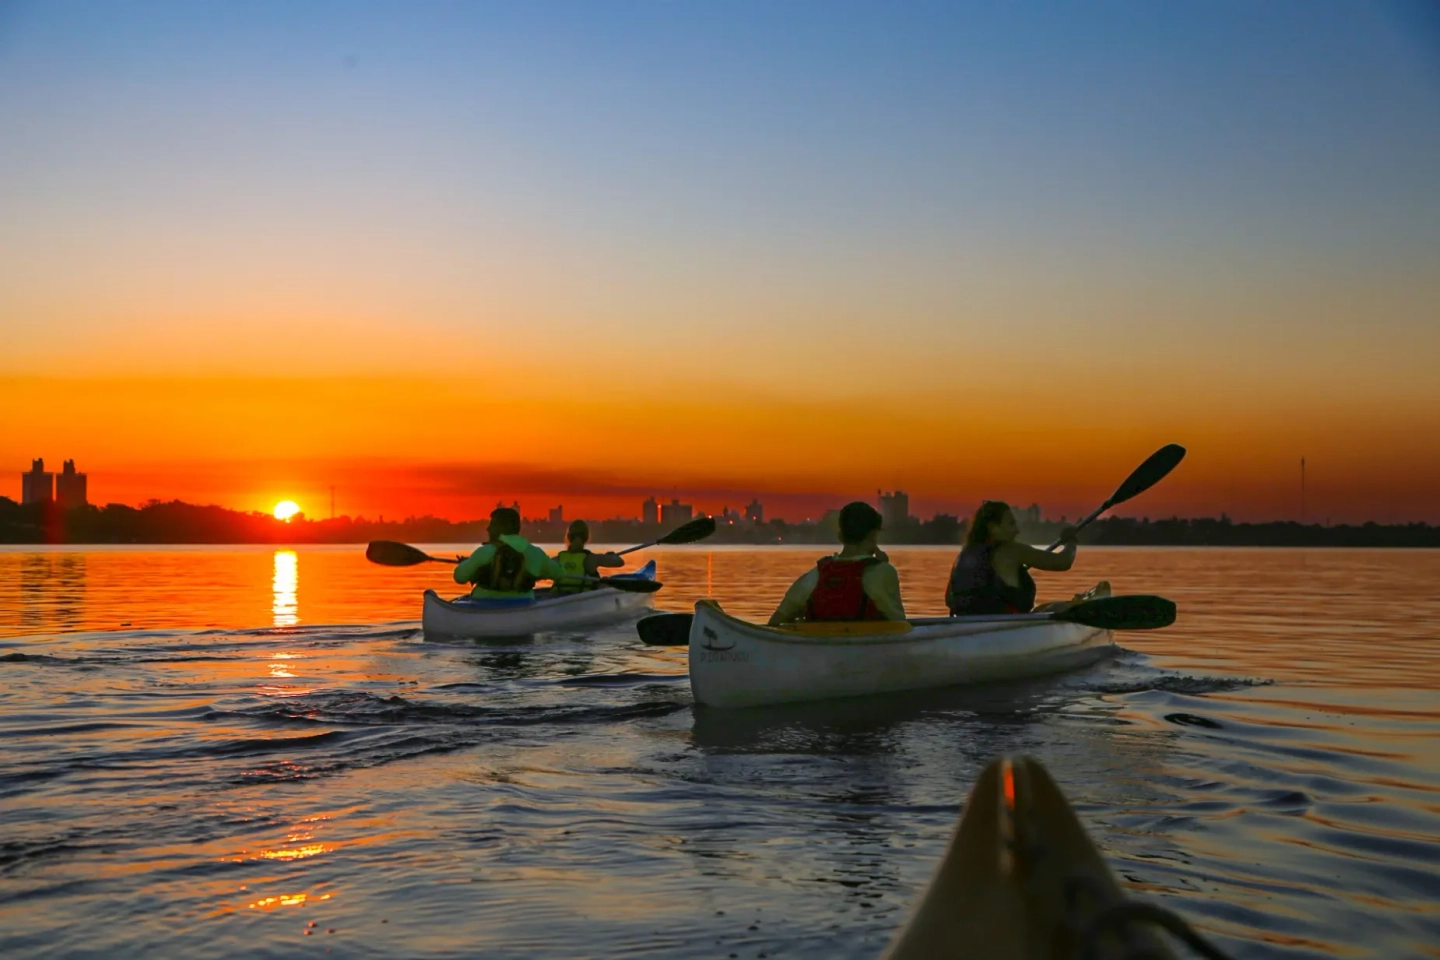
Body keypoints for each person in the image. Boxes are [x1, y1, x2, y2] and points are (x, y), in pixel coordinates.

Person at [946, 500, 1108, 617]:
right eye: (1011, 524)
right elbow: (1063, 562)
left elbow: (949, 599)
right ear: (993, 528)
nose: (1016, 531)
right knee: (1057, 608)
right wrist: (1071, 541)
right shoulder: (1012, 550)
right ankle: (1084, 605)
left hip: (967, 625)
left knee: (1048, 607)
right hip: (1005, 630)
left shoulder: (964, 555)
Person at [768, 501, 905, 625]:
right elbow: (901, 625)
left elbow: (775, 622)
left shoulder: (813, 578)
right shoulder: (884, 573)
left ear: (840, 536)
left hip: (819, 649)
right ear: (873, 535)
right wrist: (883, 566)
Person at [453, 506, 568, 601]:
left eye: (492, 524)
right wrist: (539, 573)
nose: (488, 529)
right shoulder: (536, 554)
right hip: (523, 606)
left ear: (503, 527)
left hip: (484, 605)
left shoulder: (485, 551)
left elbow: (459, 577)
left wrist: (466, 563)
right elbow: (560, 574)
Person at [551, 519, 623, 595]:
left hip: (558, 597)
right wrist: (612, 556)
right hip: (582, 599)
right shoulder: (592, 559)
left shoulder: (557, 559)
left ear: (568, 537)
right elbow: (620, 562)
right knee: (604, 582)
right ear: (587, 538)